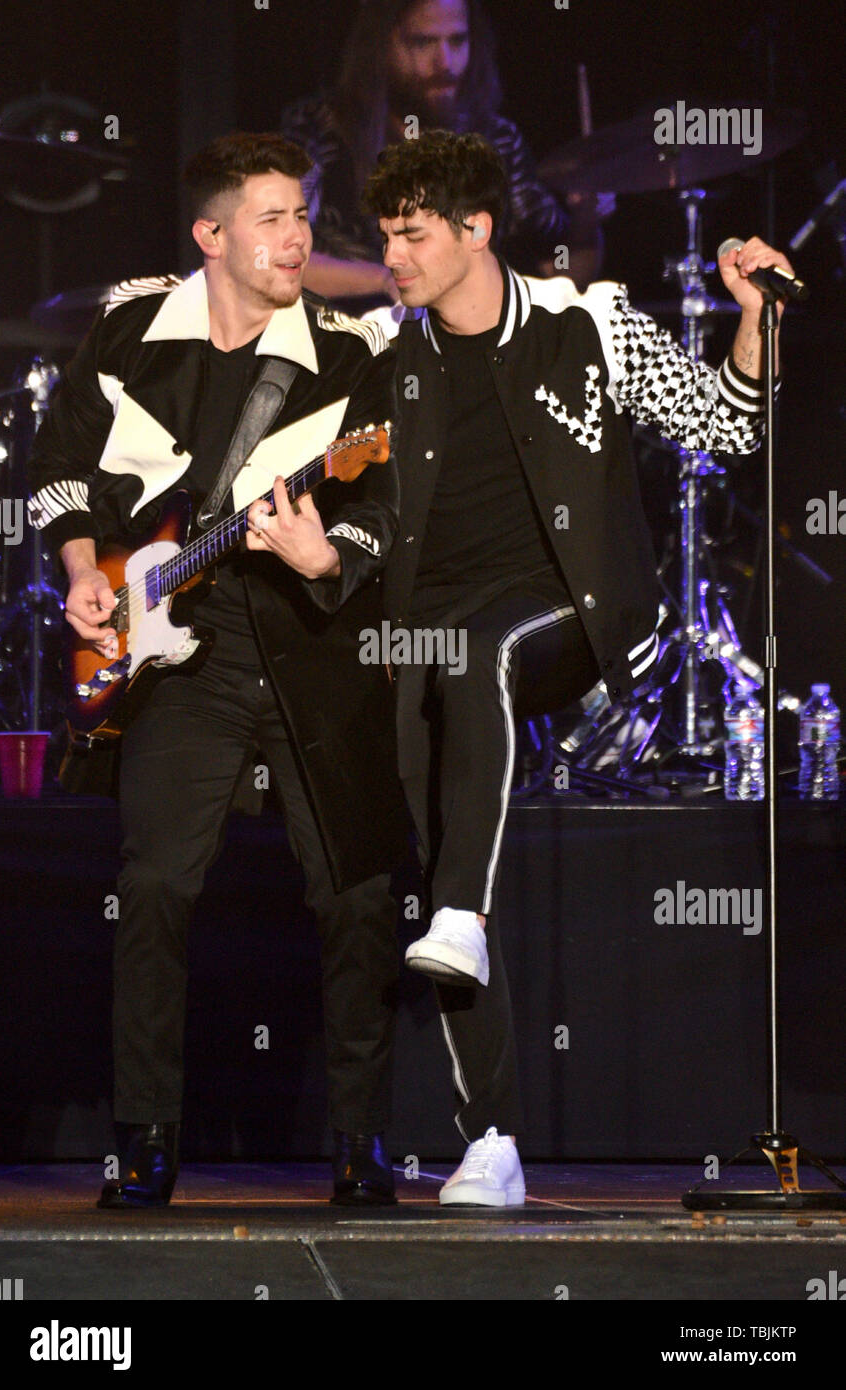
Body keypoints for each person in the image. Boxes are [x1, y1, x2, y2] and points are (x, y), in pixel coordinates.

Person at [360, 129, 788, 1206]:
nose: (395, 256)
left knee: (481, 660)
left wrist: (752, 318)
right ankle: (491, 1139)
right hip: (429, 635)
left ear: (476, 230)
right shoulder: (381, 346)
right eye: (386, 237)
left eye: (412, 235)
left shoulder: (583, 320)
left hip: (580, 614)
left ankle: (461, 910)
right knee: (443, 873)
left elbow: (726, 424)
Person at [27, 132, 409, 1209]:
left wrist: (326, 553)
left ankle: (360, 1142)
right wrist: (80, 576)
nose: (296, 238)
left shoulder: (350, 355)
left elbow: (389, 503)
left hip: (309, 637)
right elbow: (62, 470)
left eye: (301, 216)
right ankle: (145, 1140)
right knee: (152, 885)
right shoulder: (130, 334)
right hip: (176, 651)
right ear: (212, 234)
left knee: (358, 893)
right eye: (272, 218)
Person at [281, 0, 610, 309]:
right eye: (423, 43)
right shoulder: (320, 129)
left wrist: (585, 224)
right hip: (354, 350)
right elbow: (280, 256)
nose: (446, 63)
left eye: (457, 41)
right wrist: (388, 279)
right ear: (378, 47)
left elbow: (559, 277)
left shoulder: (497, 138)